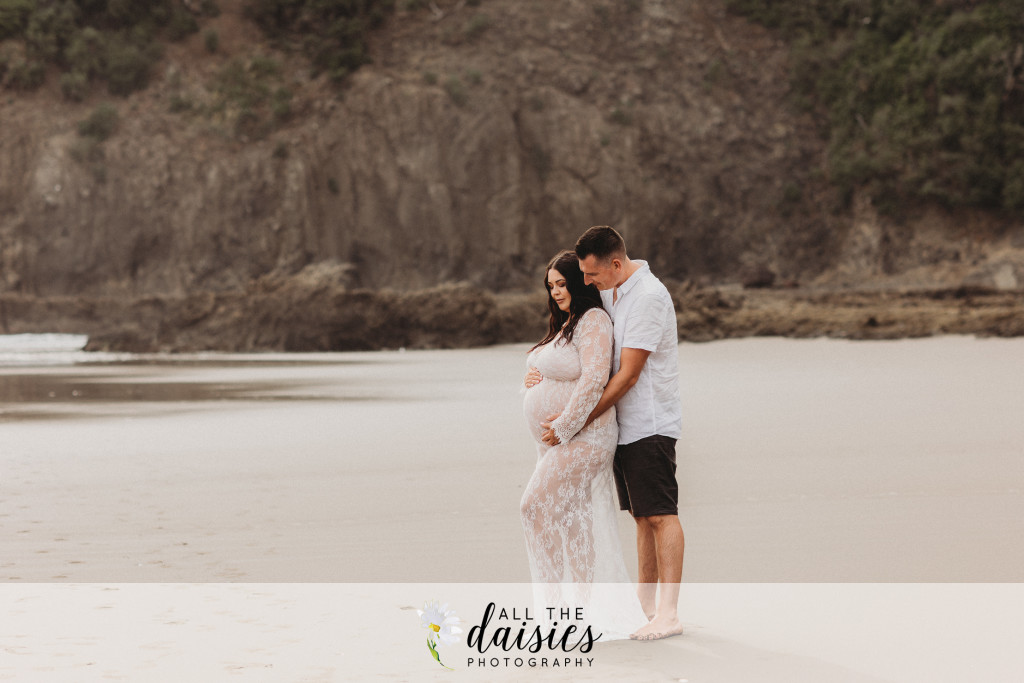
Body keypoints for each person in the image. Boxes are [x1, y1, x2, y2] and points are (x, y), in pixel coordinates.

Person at [529, 226, 684, 641]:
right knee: (641, 517)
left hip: (649, 422)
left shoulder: (648, 297)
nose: (586, 282)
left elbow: (628, 375)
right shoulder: (614, 292)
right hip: (623, 427)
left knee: (661, 514)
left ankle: (669, 612)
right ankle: (645, 605)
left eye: (592, 275)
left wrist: (576, 420)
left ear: (615, 264)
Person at [520, 250, 647, 640]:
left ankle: (558, 612)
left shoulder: (593, 320)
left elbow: (594, 378)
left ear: (577, 282)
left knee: (532, 507)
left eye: (562, 283)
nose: (556, 291)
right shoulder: (568, 323)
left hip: (586, 437)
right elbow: (559, 371)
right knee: (574, 520)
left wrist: (564, 425)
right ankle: (576, 615)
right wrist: (532, 378)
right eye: (551, 286)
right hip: (560, 441)